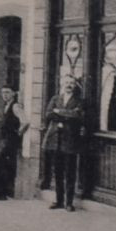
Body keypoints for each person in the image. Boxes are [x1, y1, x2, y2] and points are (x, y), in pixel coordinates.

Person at [43, 75, 86, 211]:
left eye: (72, 83)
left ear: (75, 86)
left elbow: (78, 116)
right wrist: (67, 114)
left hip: (70, 142)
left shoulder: (79, 101)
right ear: (62, 84)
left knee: (70, 173)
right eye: (67, 82)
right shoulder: (55, 99)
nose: (69, 85)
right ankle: (59, 201)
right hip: (55, 141)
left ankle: (69, 203)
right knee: (58, 173)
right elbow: (48, 114)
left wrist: (59, 112)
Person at [0, 86, 25, 200]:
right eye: (3, 92)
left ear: (13, 94)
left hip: (9, 140)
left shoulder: (15, 106)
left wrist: (18, 134)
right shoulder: (6, 106)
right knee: (2, 166)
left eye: (7, 92)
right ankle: (1, 194)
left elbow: (25, 122)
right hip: (4, 139)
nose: (4, 95)